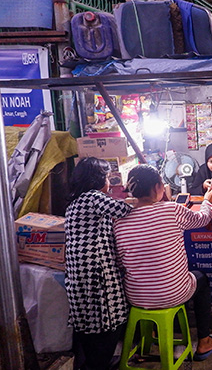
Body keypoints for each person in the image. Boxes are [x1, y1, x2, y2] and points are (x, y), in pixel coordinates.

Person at [114, 165, 212, 362]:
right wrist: (207, 200)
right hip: (173, 293)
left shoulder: (119, 220)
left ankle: (145, 341)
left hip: (136, 297)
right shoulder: (171, 210)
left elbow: (121, 262)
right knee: (202, 279)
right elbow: (203, 218)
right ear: (158, 187)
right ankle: (205, 341)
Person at [64, 157, 132, 370]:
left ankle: (93, 363)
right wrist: (144, 199)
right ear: (97, 179)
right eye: (106, 177)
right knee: (110, 322)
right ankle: (98, 365)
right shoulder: (94, 197)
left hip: (78, 275)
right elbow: (123, 210)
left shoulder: (74, 203)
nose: (109, 182)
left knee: (88, 324)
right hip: (97, 273)